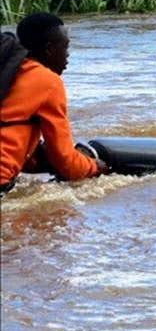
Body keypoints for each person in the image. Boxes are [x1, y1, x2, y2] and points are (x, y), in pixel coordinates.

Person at [1, 12, 108, 194]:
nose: (67, 56)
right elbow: (65, 161)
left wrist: (40, 158)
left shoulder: (6, 71)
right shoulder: (47, 82)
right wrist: (95, 167)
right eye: (65, 47)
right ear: (50, 49)